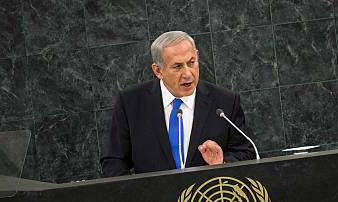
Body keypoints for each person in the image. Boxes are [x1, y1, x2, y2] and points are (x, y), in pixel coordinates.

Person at [100, 31, 256, 176]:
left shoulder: (225, 102)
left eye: (191, 62)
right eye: (177, 66)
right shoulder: (131, 103)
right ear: (158, 71)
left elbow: (246, 152)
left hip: (207, 200)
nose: (188, 74)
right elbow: (114, 161)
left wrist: (222, 163)